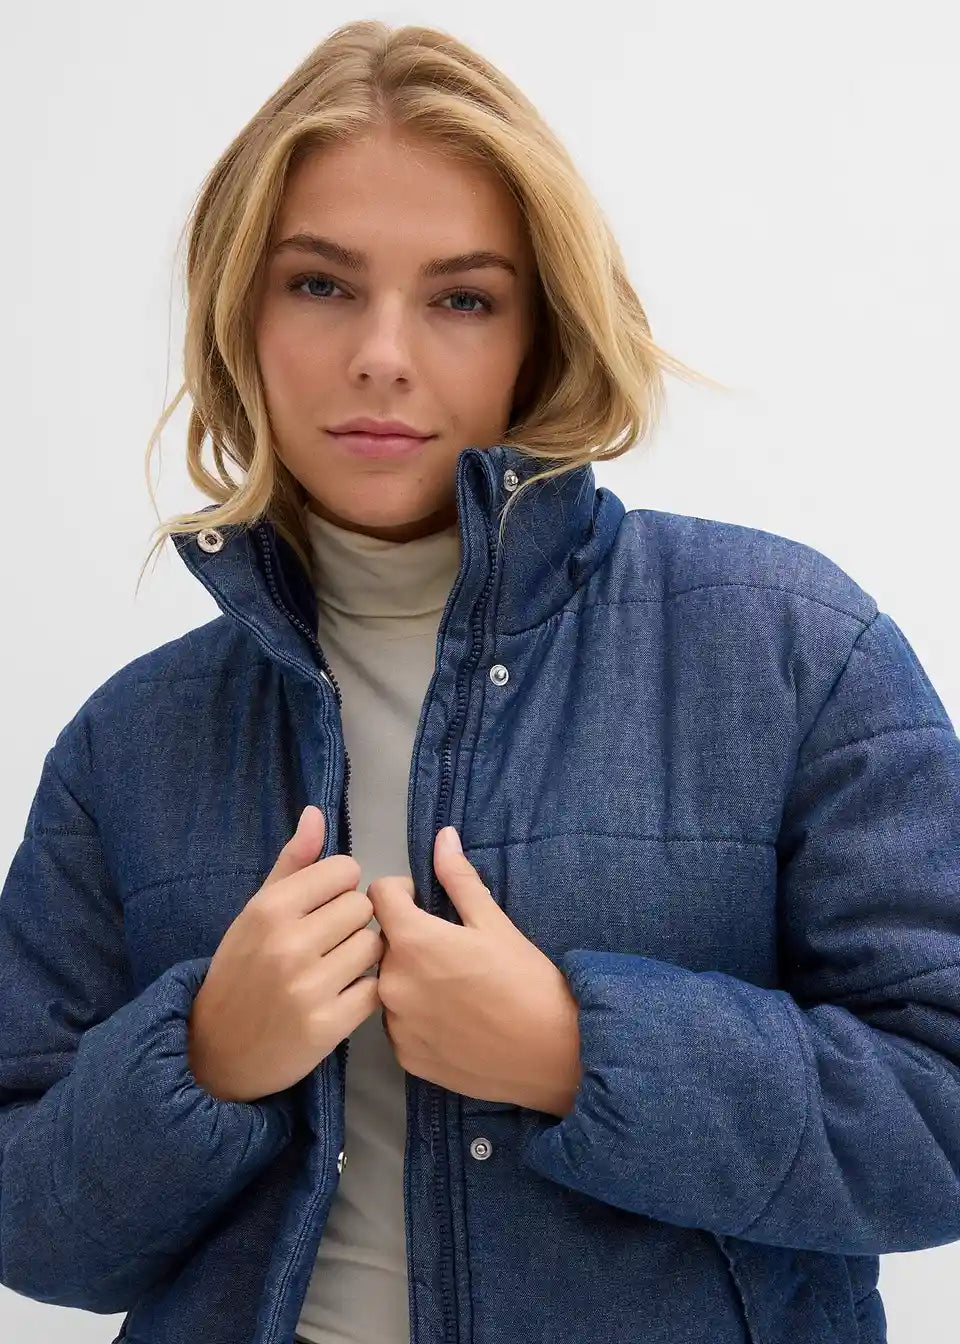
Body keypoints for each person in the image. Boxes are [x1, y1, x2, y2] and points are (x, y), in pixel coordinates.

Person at [1, 18, 957, 1344]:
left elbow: (940, 1117)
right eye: (321, 284)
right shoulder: (133, 743)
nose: (383, 355)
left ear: (538, 330)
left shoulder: (792, 649)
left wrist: (579, 1053)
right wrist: (202, 1061)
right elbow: (30, 1226)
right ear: (240, 312)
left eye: (462, 298)